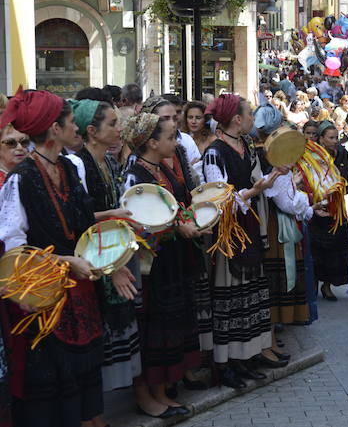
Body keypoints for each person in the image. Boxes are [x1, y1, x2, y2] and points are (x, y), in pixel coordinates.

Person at [0, 89, 104, 427]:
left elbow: (85, 225)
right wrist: (64, 262)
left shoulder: (69, 168)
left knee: (81, 382)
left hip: (80, 294)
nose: (77, 129)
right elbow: (14, 252)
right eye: (72, 123)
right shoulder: (20, 180)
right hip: (44, 301)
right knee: (51, 394)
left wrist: (112, 267)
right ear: (54, 129)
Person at [121, 112, 202, 418]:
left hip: (171, 261)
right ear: (152, 142)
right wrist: (176, 228)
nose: (175, 141)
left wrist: (189, 222)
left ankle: (163, 389)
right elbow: (135, 223)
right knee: (154, 327)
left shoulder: (161, 168)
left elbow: (176, 208)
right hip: (151, 267)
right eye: (170, 136)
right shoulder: (135, 176)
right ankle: (150, 394)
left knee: (170, 325)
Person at [202, 94, 283, 390]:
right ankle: (226, 364)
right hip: (229, 236)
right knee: (231, 298)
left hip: (248, 228)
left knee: (249, 296)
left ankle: (246, 356)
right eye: (248, 113)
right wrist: (253, 191)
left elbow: (256, 180)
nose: (252, 118)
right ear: (237, 119)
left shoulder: (246, 145)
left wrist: (273, 176)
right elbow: (219, 200)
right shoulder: (215, 152)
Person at [69, 99, 143, 399]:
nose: (119, 128)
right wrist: (115, 215)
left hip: (114, 250)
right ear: (92, 131)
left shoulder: (109, 161)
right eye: (112, 123)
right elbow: (81, 218)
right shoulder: (79, 164)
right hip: (96, 259)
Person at [253, 104, 314, 330]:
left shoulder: (253, 149)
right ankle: (277, 318)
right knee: (277, 271)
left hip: (265, 218)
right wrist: (305, 201)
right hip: (275, 222)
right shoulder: (273, 154)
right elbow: (286, 202)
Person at [309, 121, 348, 301]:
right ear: (321, 139)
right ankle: (313, 285)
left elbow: (345, 180)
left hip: (335, 207)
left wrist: (335, 190)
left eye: (337, 137)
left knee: (334, 248)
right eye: (331, 138)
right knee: (316, 249)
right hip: (316, 205)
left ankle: (327, 286)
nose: (335, 141)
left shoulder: (342, 154)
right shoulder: (311, 157)